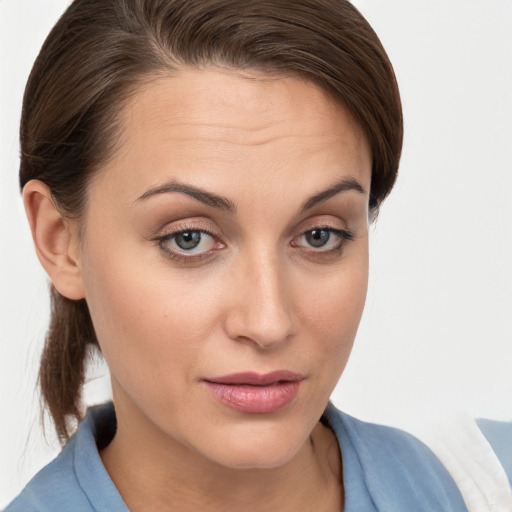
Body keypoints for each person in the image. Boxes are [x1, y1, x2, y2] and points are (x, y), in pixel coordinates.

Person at [2, 0, 475, 510]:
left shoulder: (488, 487)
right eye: (189, 239)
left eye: (320, 236)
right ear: (60, 241)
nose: (268, 323)